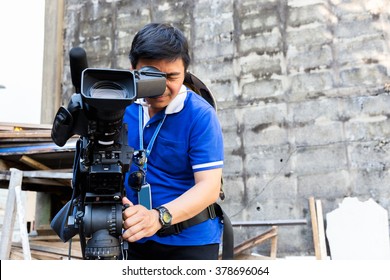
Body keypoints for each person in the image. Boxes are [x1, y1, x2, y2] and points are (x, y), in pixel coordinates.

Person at [121, 23, 225, 260]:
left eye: (171, 77)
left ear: (185, 72)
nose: (161, 87)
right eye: (151, 76)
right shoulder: (119, 108)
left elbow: (209, 187)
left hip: (190, 242)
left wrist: (158, 217)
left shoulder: (200, 115)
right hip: (132, 237)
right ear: (133, 69)